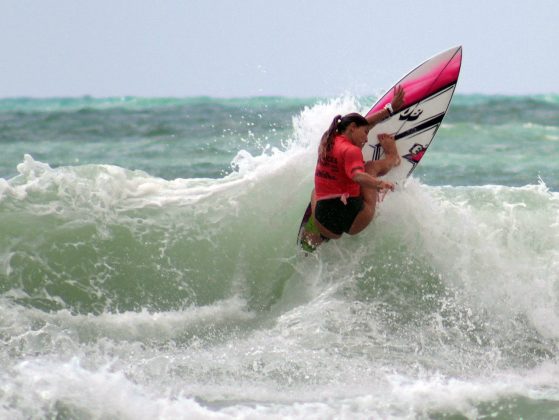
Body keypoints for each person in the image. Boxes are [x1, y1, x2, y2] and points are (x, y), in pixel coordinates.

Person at [303, 86, 405, 248]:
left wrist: (390, 110)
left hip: (324, 223)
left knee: (316, 191)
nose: (366, 138)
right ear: (351, 129)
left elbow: (363, 124)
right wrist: (379, 184)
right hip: (354, 223)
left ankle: (316, 237)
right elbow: (357, 175)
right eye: (365, 133)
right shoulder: (352, 151)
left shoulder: (328, 139)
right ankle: (393, 157)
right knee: (369, 168)